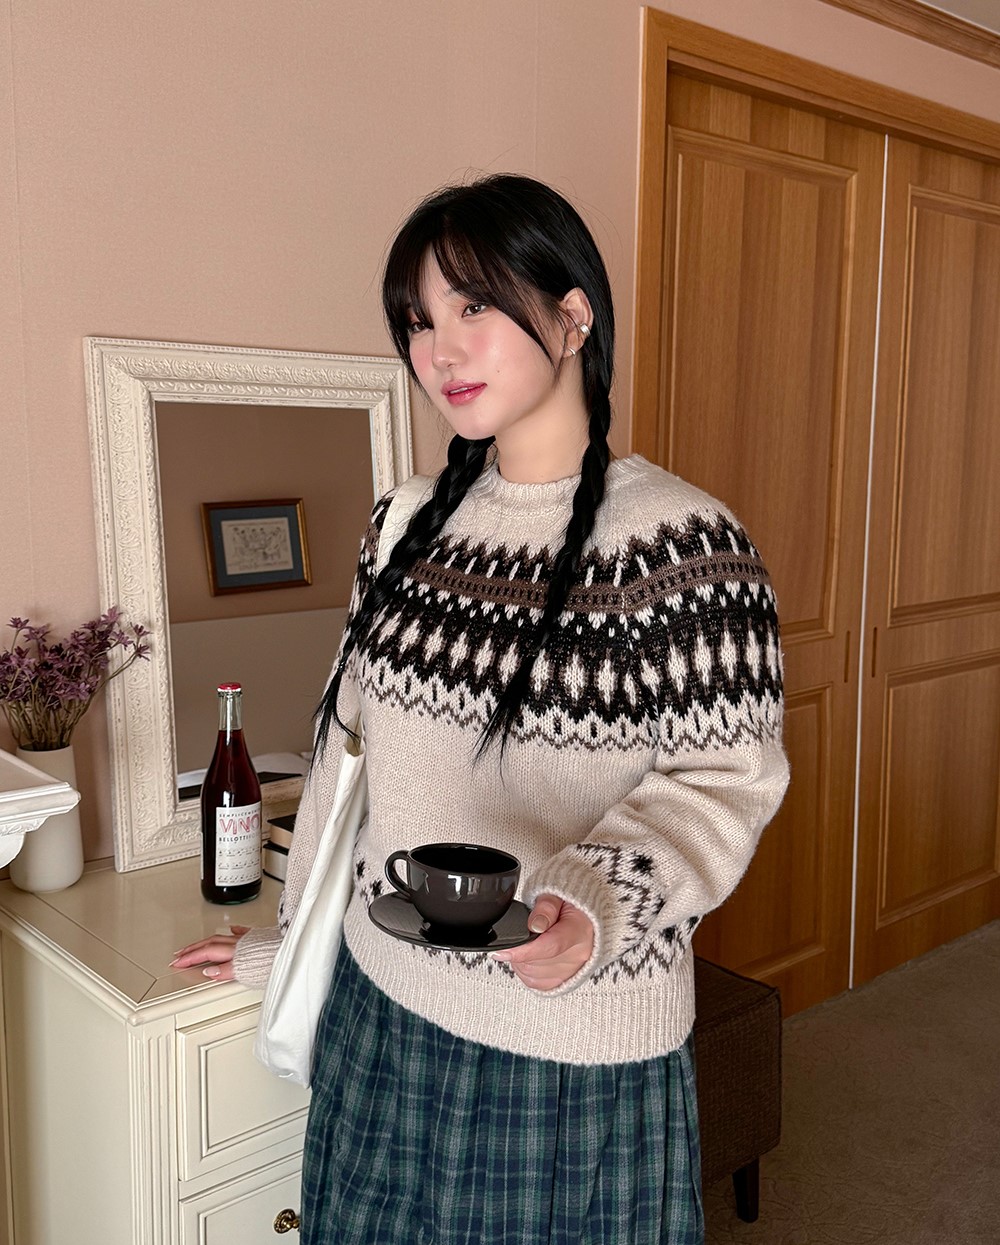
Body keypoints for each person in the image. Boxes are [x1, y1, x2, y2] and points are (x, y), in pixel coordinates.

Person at [172, 173, 789, 1244]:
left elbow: (726, 782)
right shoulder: (402, 524)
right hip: (379, 1021)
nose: (439, 350)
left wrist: (592, 900)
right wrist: (296, 945)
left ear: (572, 314)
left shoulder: (684, 546)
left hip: (568, 1054)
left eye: (472, 305)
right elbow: (349, 765)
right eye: (418, 320)